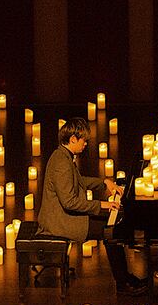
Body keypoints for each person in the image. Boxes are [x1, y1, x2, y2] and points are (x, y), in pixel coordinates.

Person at [36, 117, 128, 283]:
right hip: (61, 222)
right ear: (73, 139)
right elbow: (69, 202)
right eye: (84, 141)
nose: (85, 145)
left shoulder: (63, 156)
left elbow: (79, 181)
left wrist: (103, 183)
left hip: (64, 217)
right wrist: (102, 205)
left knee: (112, 225)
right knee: (112, 231)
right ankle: (124, 282)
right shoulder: (62, 164)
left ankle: (125, 279)